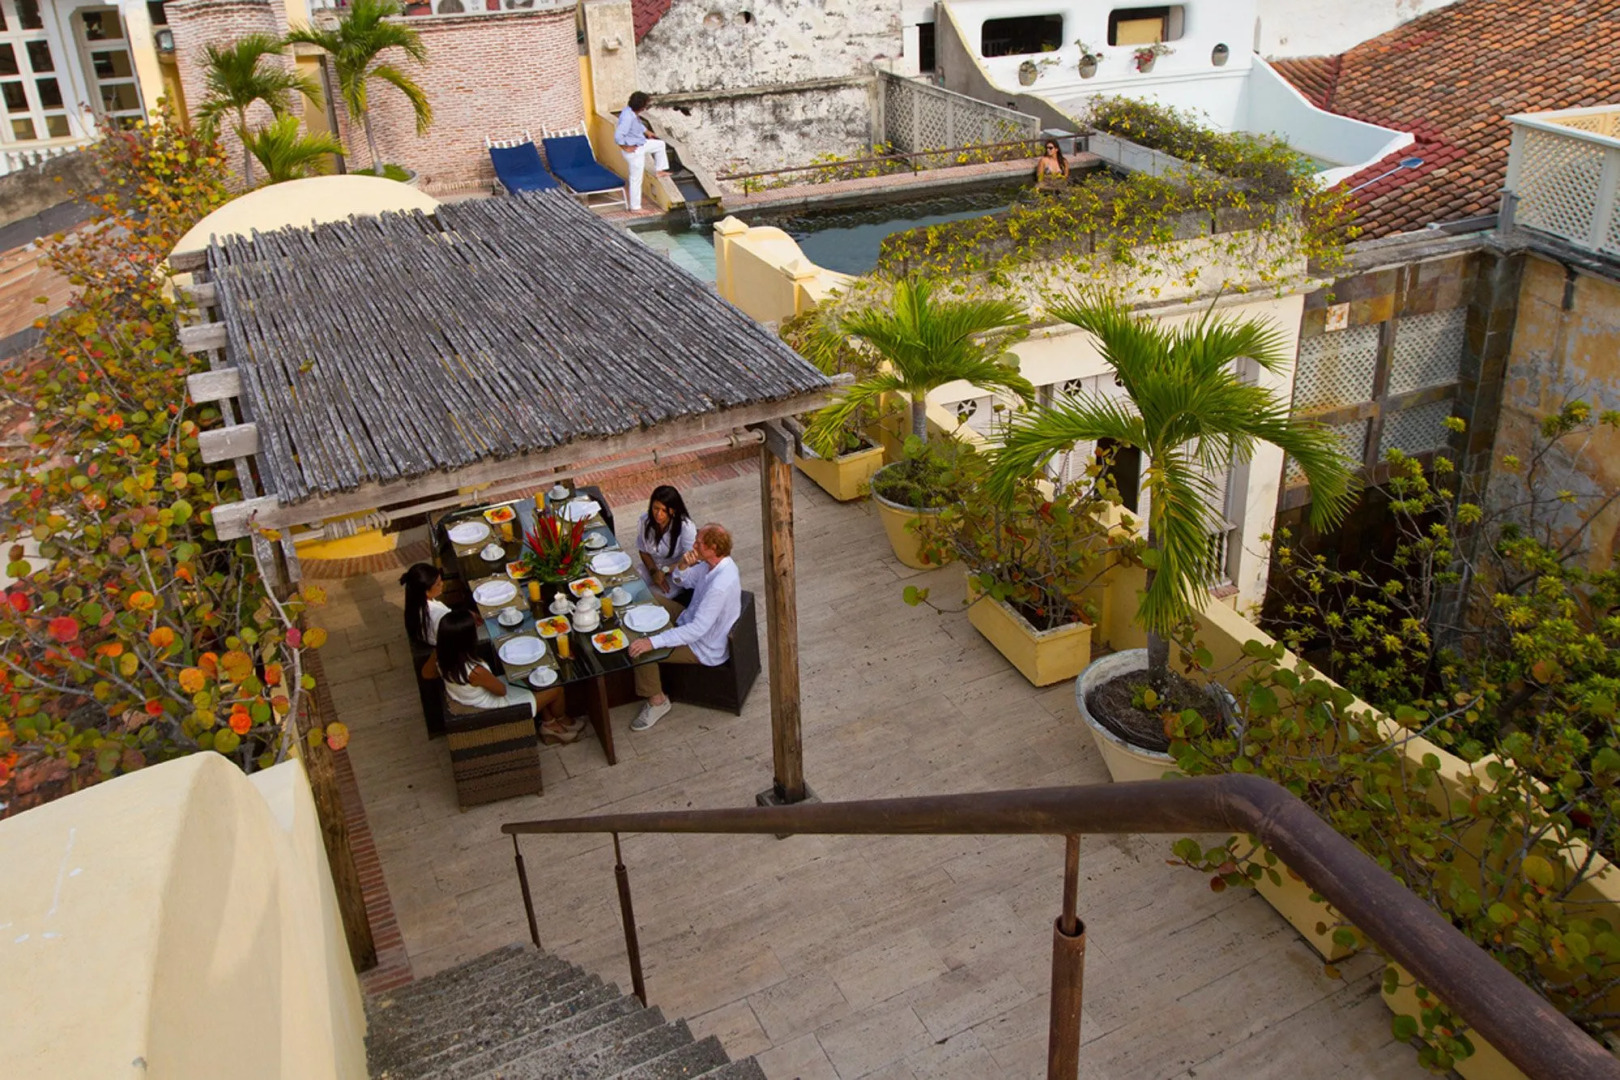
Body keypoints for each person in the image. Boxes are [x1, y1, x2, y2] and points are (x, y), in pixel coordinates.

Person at [626, 523, 741, 732]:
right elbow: (683, 580)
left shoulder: (720, 585)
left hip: (702, 646)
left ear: (713, 548)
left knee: (642, 653)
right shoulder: (710, 564)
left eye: (699, 543)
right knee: (646, 598)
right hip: (687, 617)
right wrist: (682, 566)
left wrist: (651, 642)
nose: (693, 545)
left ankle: (658, 701)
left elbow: (696, 631)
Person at [434, 609, 584, 745]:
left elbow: (426, 673)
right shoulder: (475, 671)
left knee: (532, 678)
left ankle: (550, 724)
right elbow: (501, 691)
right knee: (555, 688)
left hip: (473, 695)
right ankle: (562, 718)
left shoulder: (441, 656)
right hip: (494, 704)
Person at [636, 485, 697, 603]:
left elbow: (690, 560)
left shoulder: (686, 527)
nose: (658, 514)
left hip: (675, 572)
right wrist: (653, 572)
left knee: (648, 598)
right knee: (631, 586)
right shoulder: (645, 521)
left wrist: (664, 571)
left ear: (673, 510)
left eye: (664, 510)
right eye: (655, 508)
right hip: (652, 567)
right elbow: (643, 551)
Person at [615, 90, 670, 212]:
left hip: (640, 144)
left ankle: (659, 170)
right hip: (633, 151)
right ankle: (635, 207)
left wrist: (647, 132)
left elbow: (638, 124)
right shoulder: (627, 118)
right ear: (641, 106)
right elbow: (618, 136)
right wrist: (625, 147)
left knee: (660, 145)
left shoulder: (630, 111)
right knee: (636, 178)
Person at [401, 563, 450, 679]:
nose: (442, 584)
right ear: (426, 592)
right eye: (438, 584)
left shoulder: (415, 605)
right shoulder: (438, 615)